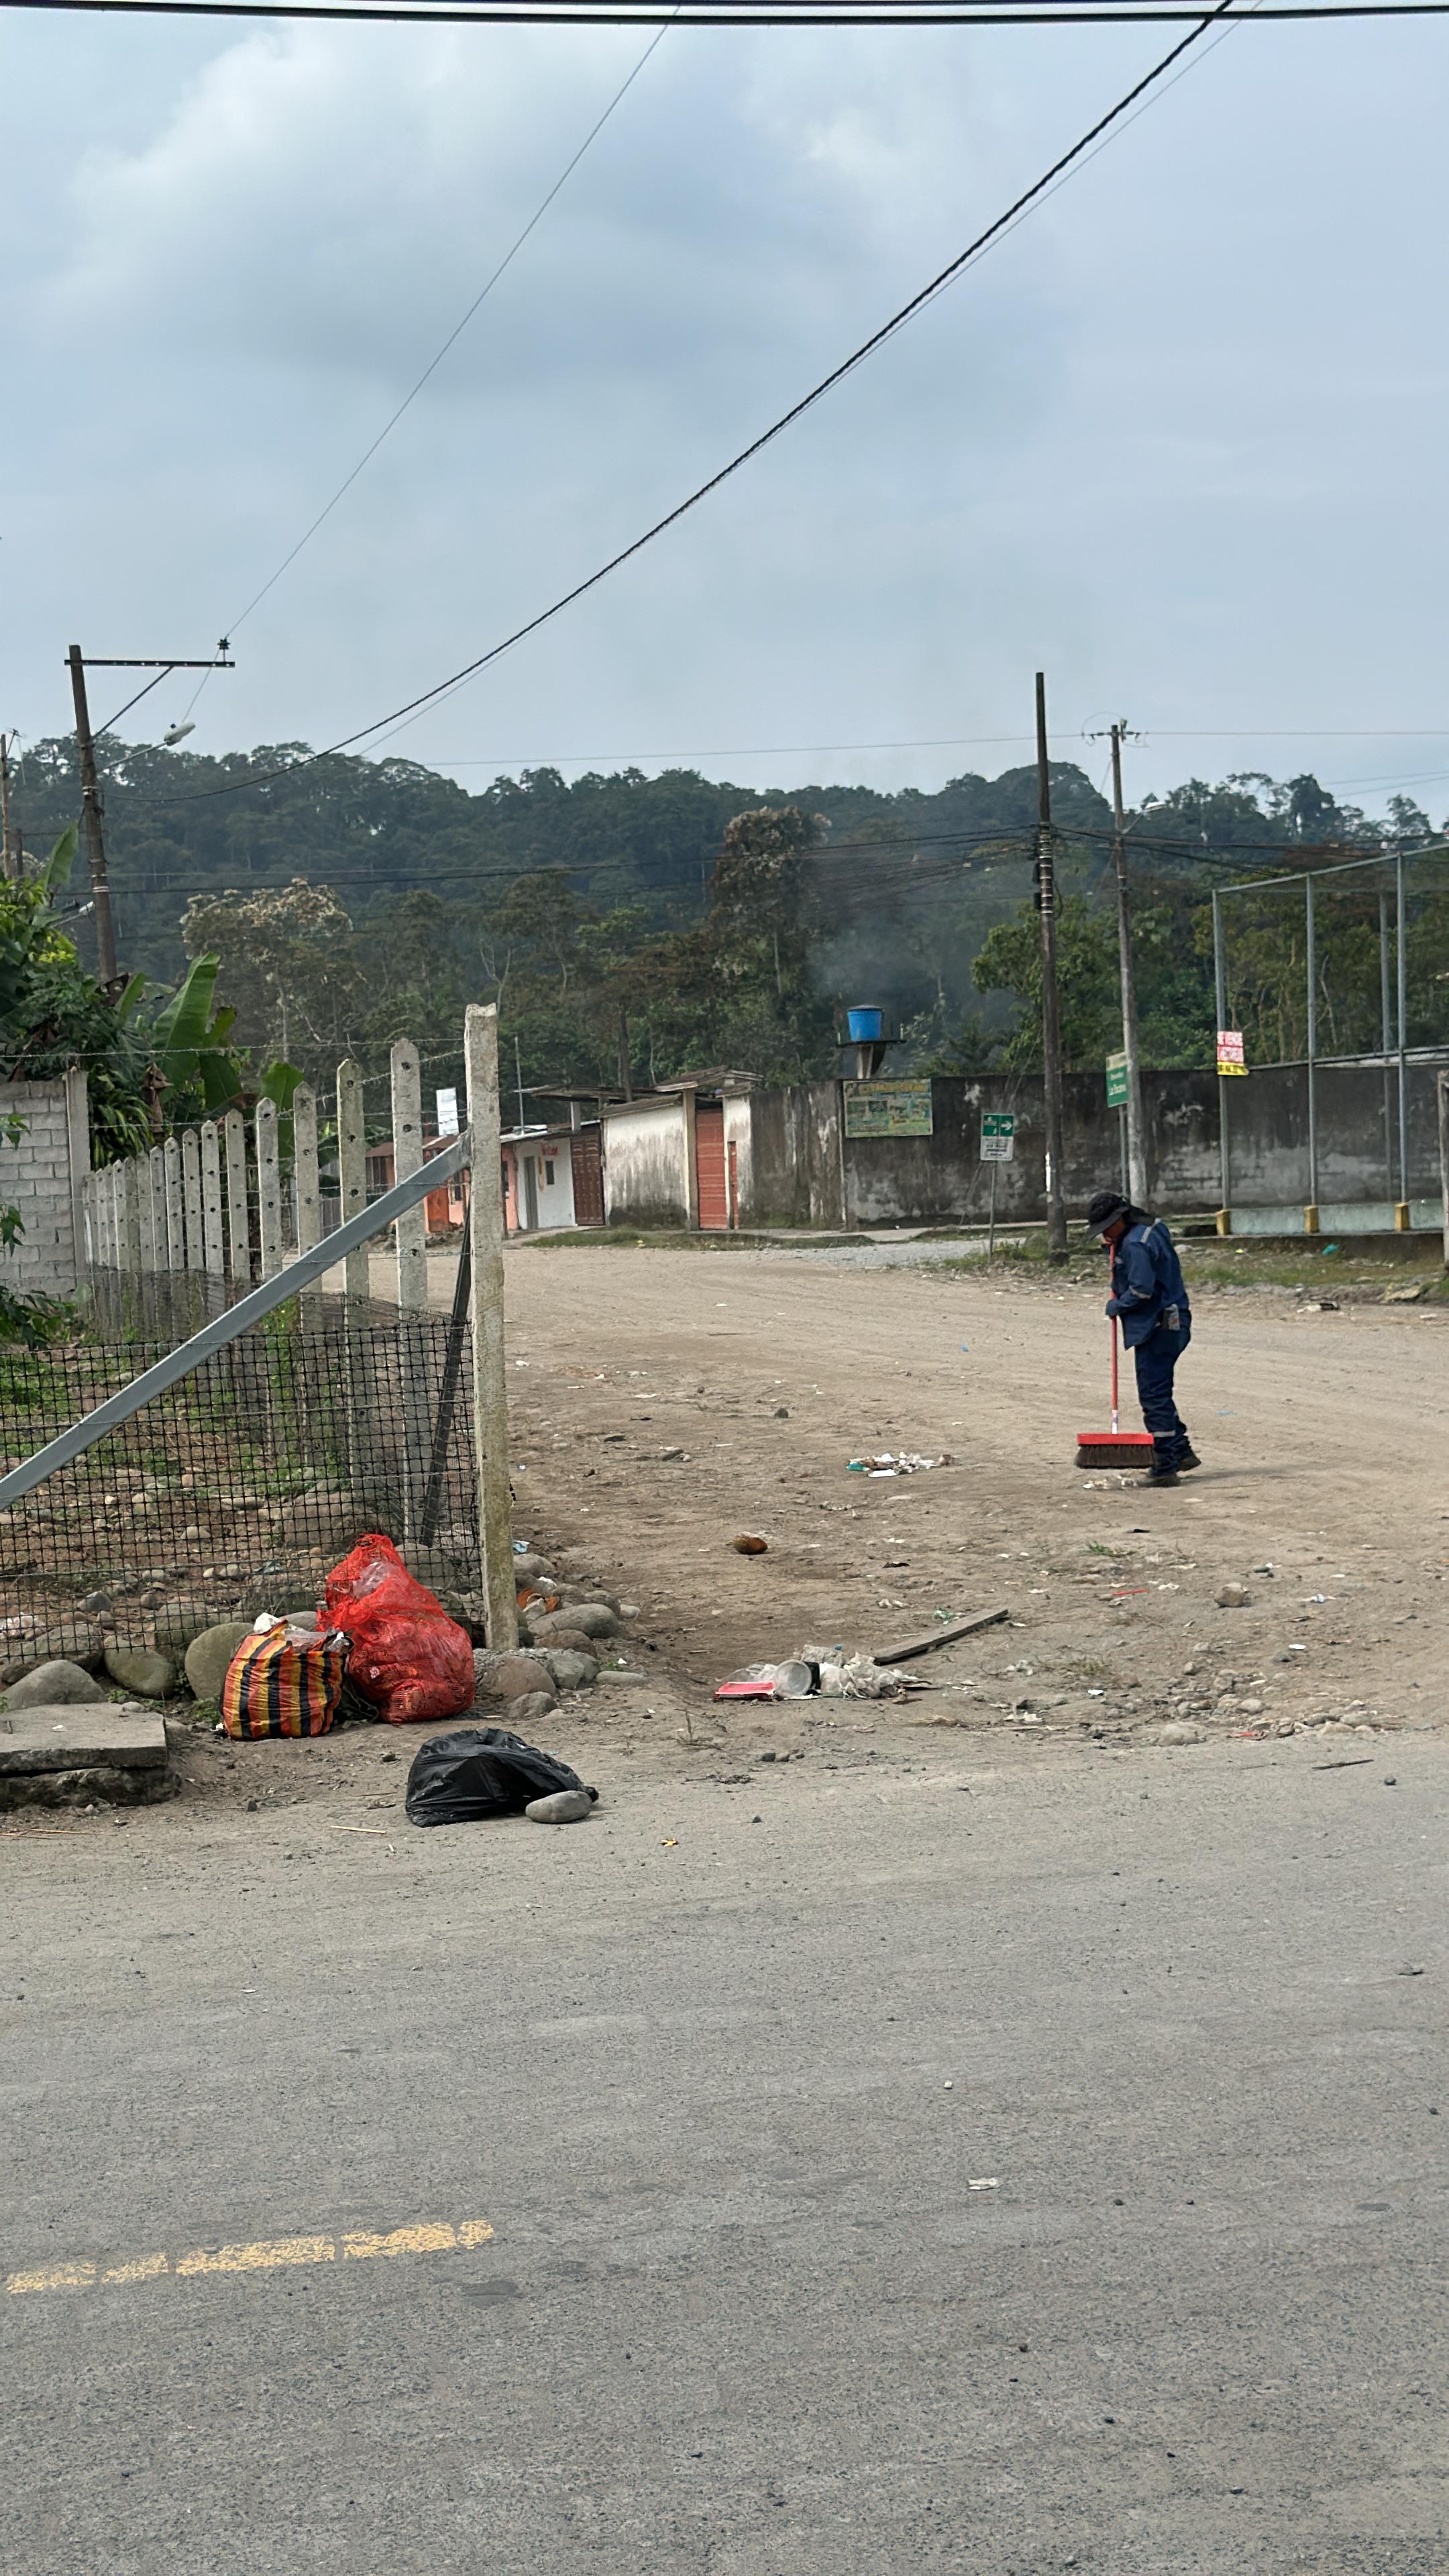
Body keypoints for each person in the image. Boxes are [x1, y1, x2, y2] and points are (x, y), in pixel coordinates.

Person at [1084, 1189, 1199, 1487]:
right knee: (1159, 1390)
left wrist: (1117, 1306)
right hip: (1173, 1319)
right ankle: (1180, 1451)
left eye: (1107, 1228)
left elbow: (1140, 1290)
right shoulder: (1148, 1229)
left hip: (1158, 1324)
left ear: (1119, 1220)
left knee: (1153, 1395)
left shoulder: (1135, 1244)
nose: (1105, 1235)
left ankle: (1165, 1467)